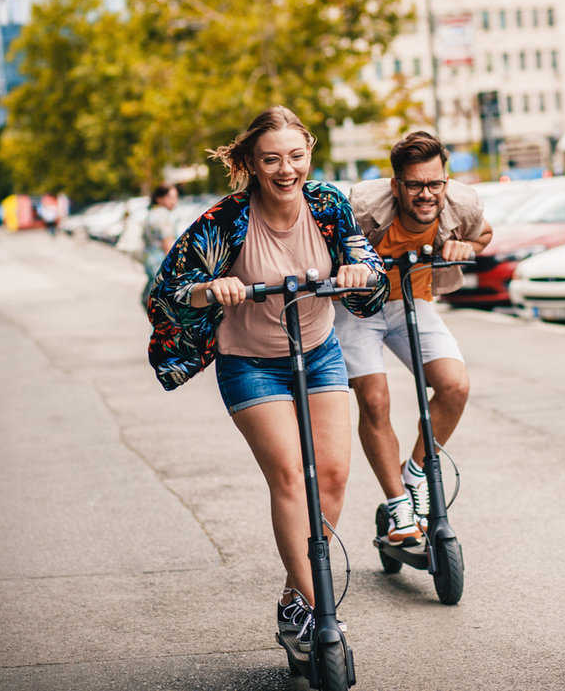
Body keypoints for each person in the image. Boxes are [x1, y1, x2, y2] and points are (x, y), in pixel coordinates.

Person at [146, 106, 389, 648]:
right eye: (272, 159)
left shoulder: (327, 204)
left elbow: (365, 264)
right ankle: (325, 614)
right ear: (252, 164)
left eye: (296, 157)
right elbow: (167, 293)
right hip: (250, 363)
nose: (287, 170)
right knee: (289, 476)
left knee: (331, 477)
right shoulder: (225, 220)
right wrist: (213, 289)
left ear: (309, 155)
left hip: (319, 353)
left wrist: (357, 270)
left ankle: (294, 601)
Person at [332, 130, 492, 546]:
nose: (426, 194)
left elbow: (484, 234)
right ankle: (398, 502)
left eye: (435, 183)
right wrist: (346, 265)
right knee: (375, 400)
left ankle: (416, 471)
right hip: (358, 306)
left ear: (445, 181)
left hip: (412, 301)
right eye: (416, 185)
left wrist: (464, 245)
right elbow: (322, 249)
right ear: (396, 185)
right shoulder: (361, 207)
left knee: (455, 386)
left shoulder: (462, 202)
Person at [140, 183, 179, 309]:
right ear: (159, 198)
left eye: (175, 197)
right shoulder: (163, 216)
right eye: (170, 197)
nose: (174, 201)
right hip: (162, 265)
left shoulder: (151, 214)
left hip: (150, 264)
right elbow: (168, 245)